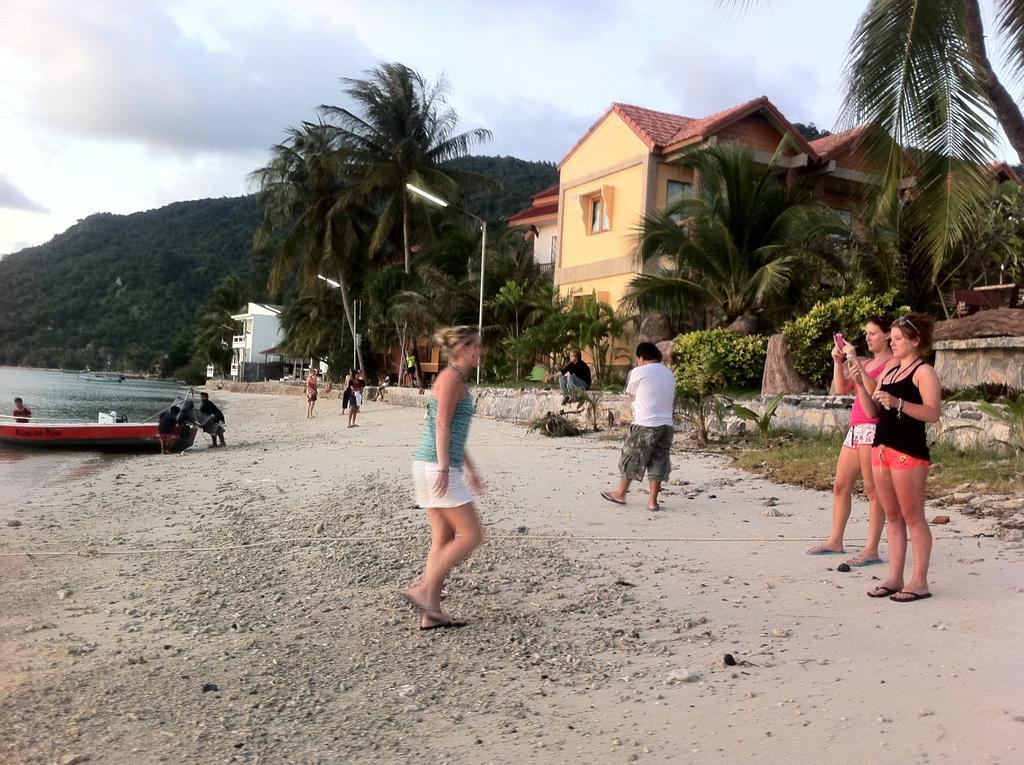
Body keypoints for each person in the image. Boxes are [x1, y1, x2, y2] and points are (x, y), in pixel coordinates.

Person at [851, 314, 941, 603]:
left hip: (908, 452)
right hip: (881, 449)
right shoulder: (889, 370)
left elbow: (933, 413)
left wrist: (900, 402)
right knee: (892, 517)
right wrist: (861, 385)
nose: (893, 342)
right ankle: (895, 577)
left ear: (916, 341)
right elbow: (874, 411)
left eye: (899, 338)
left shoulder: (923, 372)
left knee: (913, 517)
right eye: (892, 338)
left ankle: (919, 581)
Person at [405, 326, 486, 630]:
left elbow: (453, 432)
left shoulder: (452, 377)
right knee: (473, 535)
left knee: (443, 538)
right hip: (435, 467)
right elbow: (441, 424)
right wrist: (443, 468)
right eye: (477, 346)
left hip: (431, 464)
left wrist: (469, 468)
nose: (481, 351)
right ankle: (423, 590)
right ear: (464, 347)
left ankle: (432, 613)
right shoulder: (451, 377)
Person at [807, 317, 895, 564]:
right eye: (866, 333)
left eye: (874, 333)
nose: (868, 338)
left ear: (888, 335)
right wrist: (838, 362)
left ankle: (872, 548)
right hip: (855, 428)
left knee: (872, 490)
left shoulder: (892, 363)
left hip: (873, 428)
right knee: (840, 486)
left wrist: (856, 362)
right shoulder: (866, 362)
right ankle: (835, 540)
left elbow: (875, 390)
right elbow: (841, 388)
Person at [601, 342, 676, 511]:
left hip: (645, 423)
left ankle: (620, 493)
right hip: (666, 425)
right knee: (658, 460)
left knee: (631, 457)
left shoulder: (639, 371)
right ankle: (652, 502)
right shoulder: (669, 373)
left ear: (641, 357)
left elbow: (631, 393)